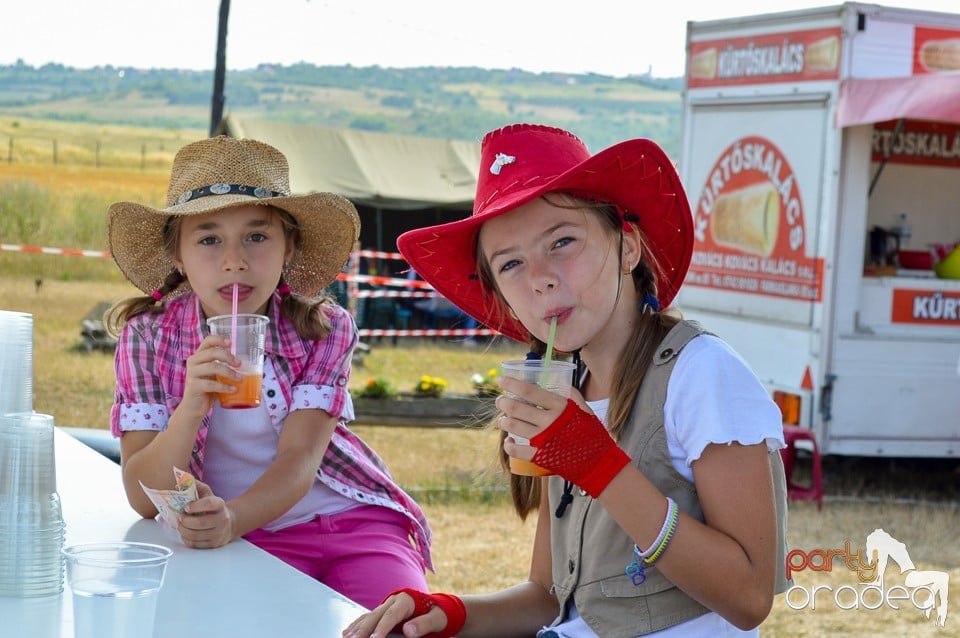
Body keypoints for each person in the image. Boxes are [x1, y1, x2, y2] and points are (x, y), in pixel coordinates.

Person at [343, 123, 790, 638]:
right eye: (511, 264)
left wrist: (597, 464)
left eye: (562, 242)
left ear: (627, 248)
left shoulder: (703, 372)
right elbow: (547, 597)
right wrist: (449, 613)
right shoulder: (566, 386)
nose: (540, 277)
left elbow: (750, 597)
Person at [104, 135, 432, 610]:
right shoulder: (148, 337)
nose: (234, 260)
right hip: (247, 538)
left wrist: (233, 518)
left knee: (400, 622)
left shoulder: (325, 328)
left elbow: (300, 457)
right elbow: (141, 494)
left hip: (351, 521)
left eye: (257, 236)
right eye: (209, 239)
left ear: (288, 247)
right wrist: (192, 404)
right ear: (177, 255)